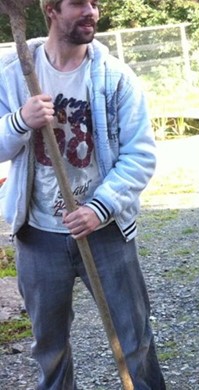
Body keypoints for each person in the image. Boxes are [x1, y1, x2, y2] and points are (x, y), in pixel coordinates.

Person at [0, 0, 165, 388]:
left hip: (105, 232)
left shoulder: (115, 76)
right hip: (38, 235)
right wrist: (21, 121)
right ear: (51, 9)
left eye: (95, 3)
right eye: (79, 3)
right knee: (50, 348)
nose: (91, 10)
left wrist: (100, 208)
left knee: (135, 341)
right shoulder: (13, 73)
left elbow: (140, 154)